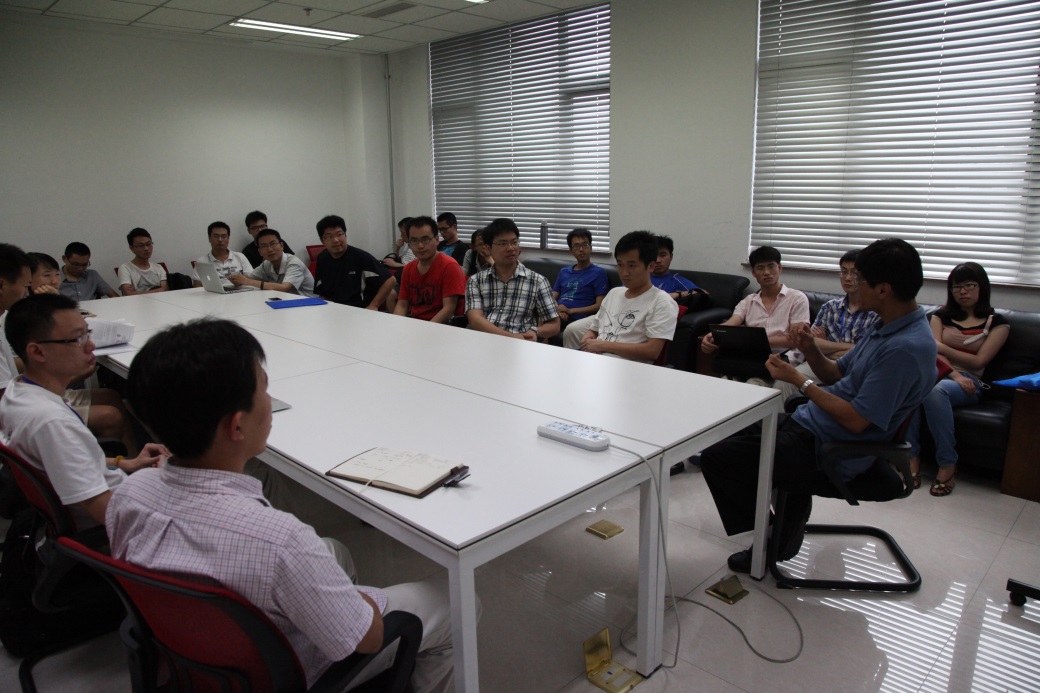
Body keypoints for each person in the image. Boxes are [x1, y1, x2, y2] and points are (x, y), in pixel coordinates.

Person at [110, 318, 455, 692]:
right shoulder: (280, 540)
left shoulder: (129, 495)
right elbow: (369, 638)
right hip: (280, 673)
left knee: (334, 551)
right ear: (237, 426)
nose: (270, 400)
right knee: (454, 605)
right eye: (264, 388)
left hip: (196, 653)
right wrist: (354, 603)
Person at [700, 238, 937, 573]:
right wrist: (810, 347)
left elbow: (856, 421)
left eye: (861, 280)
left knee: (719, 459)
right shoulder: (885, 325)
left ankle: (774, 533)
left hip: (832, 447)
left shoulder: (905, 349)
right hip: (814, 423)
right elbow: (836, 372)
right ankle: (786, 515)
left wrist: (800, 381)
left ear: (883, 289)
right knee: (729, 433)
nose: (853, 285)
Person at [0, 293, 168, 529]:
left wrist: (124, 463)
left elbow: (65, 462)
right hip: (120, 518)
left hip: (113, 494)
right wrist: (170, 499)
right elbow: (109, 514)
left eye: (87, 333)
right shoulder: (52, 423)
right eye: (78, 338)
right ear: (37, 352)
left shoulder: (18, 392)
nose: (91, 345)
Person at [910, 262, 1010, 497]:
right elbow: (932, 353)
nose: (962, 291)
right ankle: (910, 457)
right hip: (938, 373)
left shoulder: (997, 323)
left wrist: (943, 347)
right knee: (911, 387)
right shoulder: (940, 316)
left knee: (936, 391)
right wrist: (951, 371)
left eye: (969, 285)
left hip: (969, 381)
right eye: (956, 287)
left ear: (982, 287)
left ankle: (947, 463)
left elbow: (978, 361)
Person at [773, 249, 878, 402]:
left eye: (854, 273)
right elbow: (812, 343)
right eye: (844, 272)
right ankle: (781, 418)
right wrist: (850, 347)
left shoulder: (875, 312)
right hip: (821, 362)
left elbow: (867, 353)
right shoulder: (830, 307)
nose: (848, 278)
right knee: (784, 382)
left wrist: (829, 348)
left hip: (856, 368)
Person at [564, 230, 677, 364]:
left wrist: (601, 345)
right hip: (596, 361)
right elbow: (594, 329)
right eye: (620, 265)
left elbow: (652, 351)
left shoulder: (661, 301)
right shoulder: (614, 293)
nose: (624, 273)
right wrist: (588, 338)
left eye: (631, 266)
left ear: (651, 266)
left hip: (627, 366)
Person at [701, 246, 809, 382]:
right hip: (750, 359)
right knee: (724, 382)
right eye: (760, 268)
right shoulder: (748, 301)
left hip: (783, 358)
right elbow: (731, 324)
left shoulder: (797, 298)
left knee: (753, 383)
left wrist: (754, 341)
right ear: (753, 273)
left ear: (779, 268)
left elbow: (797, 339)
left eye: (771, 266)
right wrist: (712, 335)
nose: (766, 272)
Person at [465, 218, 560, 340]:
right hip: (484, 340)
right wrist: (511, 337)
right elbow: (475, 320)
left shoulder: (538, 281)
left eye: (514, 242)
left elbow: (554, 325)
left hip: (522, 344)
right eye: (503, 244)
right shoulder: (476, 281)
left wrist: (536, 331)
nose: (510, 248)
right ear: (487, 249)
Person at [392, 216, 467, 323]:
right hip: (416, 323)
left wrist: (426, 328)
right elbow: (402, 304)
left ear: (436, 240)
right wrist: (396, 325)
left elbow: (449, 309)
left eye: (425, 239)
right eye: (414, 240)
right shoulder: (408, 268)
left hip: (443, 326)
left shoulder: (449, 266)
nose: (420, 246)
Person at [313, 215, 396, 310]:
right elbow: (322, 292)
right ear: (322, 241)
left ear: (345, 235)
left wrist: (374, 305)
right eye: (329, 237)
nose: (335, 240)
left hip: (359, 309)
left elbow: (390, 280)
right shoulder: (323, 258)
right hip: (334, 309)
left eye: (339, 234)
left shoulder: (361, 257)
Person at [229, 228, 314, 297]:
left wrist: (247, 281)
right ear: (260, 251)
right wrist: (237, 279)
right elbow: (249, 278)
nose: (269, 249)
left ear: (282, 246)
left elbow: (284, 287)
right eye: (264, 246)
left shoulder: (294, 263)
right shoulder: (267, 263)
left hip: (309, 304)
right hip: (286, 301)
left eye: (273, 244)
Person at [552, 228, 609, 326]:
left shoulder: (599, 273)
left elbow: (599, 306)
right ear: (571, 251)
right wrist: (557, 309)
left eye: (585, 245)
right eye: (577, 246)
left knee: (547, 321)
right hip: (559, 314)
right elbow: (551, 297)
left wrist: (570, 311)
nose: (581, 249)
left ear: (590, 248)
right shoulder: (564, 272)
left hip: (578, 318)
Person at [0, 244, 33, 398]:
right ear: (1, 285)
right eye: (25, 286)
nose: (26, 294)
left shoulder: (2, 317)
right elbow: (5, 400)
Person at [191, 222, 252, 288]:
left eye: (223, 236)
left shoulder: (240, 257)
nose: (220, 240)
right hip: (213, 293)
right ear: (209, 238)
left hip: (239, 292)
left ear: (228, 239)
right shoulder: (202, 261)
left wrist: (241, 281)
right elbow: (197, 285)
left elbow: (252, 278)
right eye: (216, 236)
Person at [117, 228, 168, 295]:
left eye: (148, 244)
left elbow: (165, 290)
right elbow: (129, 294)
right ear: (132, 248)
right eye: (141, 245)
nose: (146, 248)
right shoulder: (125, 268)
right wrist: (159, 290)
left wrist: (136, 293)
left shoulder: (158, 267)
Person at [651, 235, 703, 300]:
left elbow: (703, 294)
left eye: (662, 255)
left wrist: (677, 294)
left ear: (671, 257)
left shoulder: (677, 281)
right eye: (653, 255)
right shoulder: (642, 278)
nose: (657, 260)